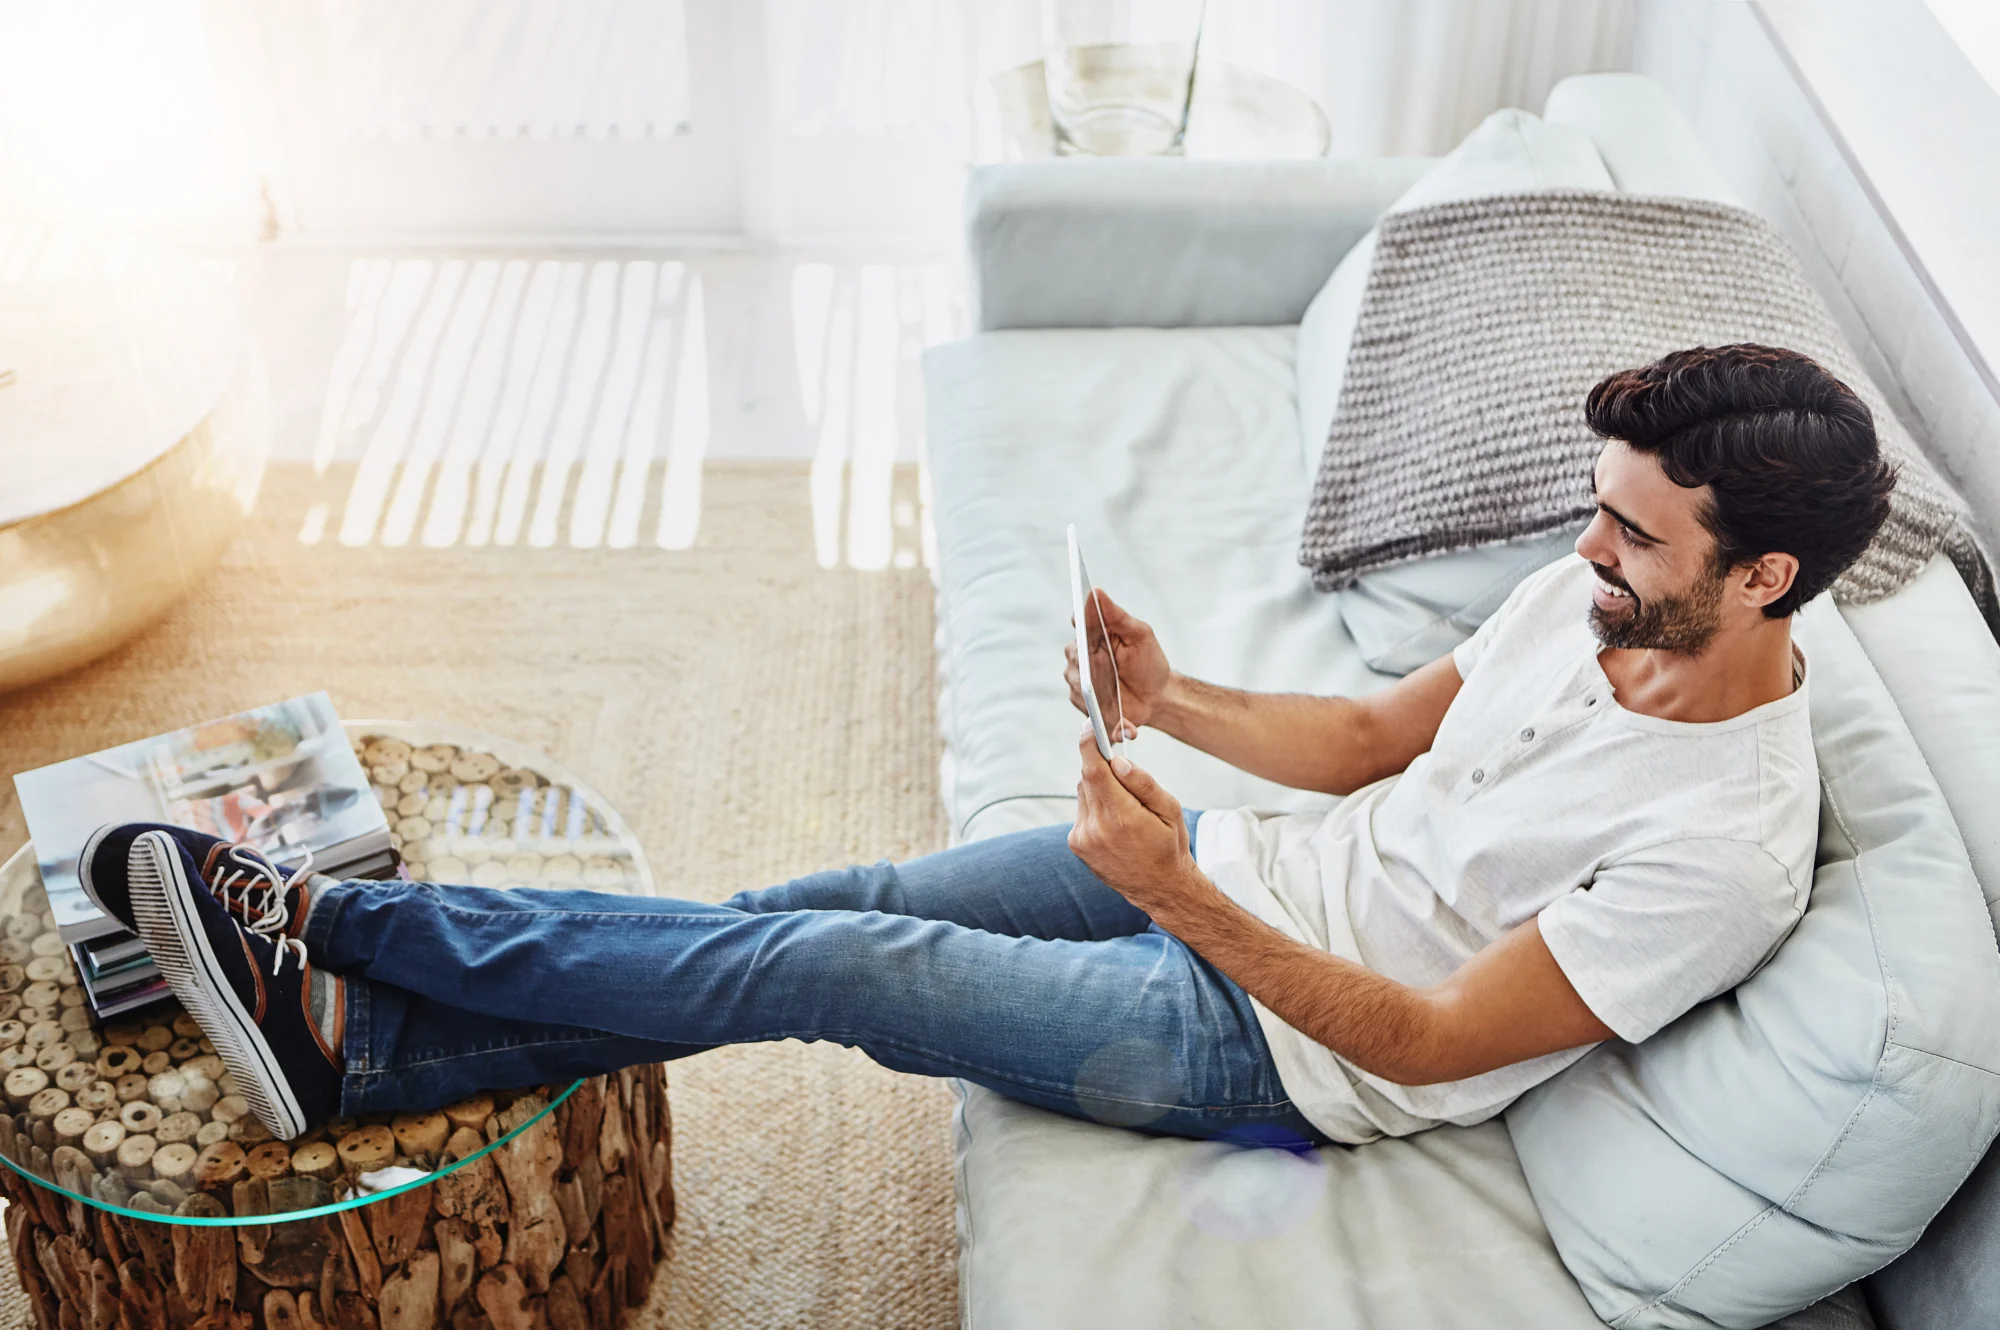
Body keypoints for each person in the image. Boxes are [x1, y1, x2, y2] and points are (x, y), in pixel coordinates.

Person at [78, 343, 1896, 1147]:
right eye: (1600, 510)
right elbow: (1356, 741)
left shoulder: (1725, 845)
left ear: (1767, 577)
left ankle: (326, 928)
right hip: (1245, 883)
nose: (1588, 549)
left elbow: (1422, 1038)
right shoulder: (1586, 601)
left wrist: (1178, 897)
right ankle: (361, 1057)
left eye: (1636, 535)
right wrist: (1170, 694)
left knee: (832, 959)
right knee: (813, 899)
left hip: (1283, 1057)